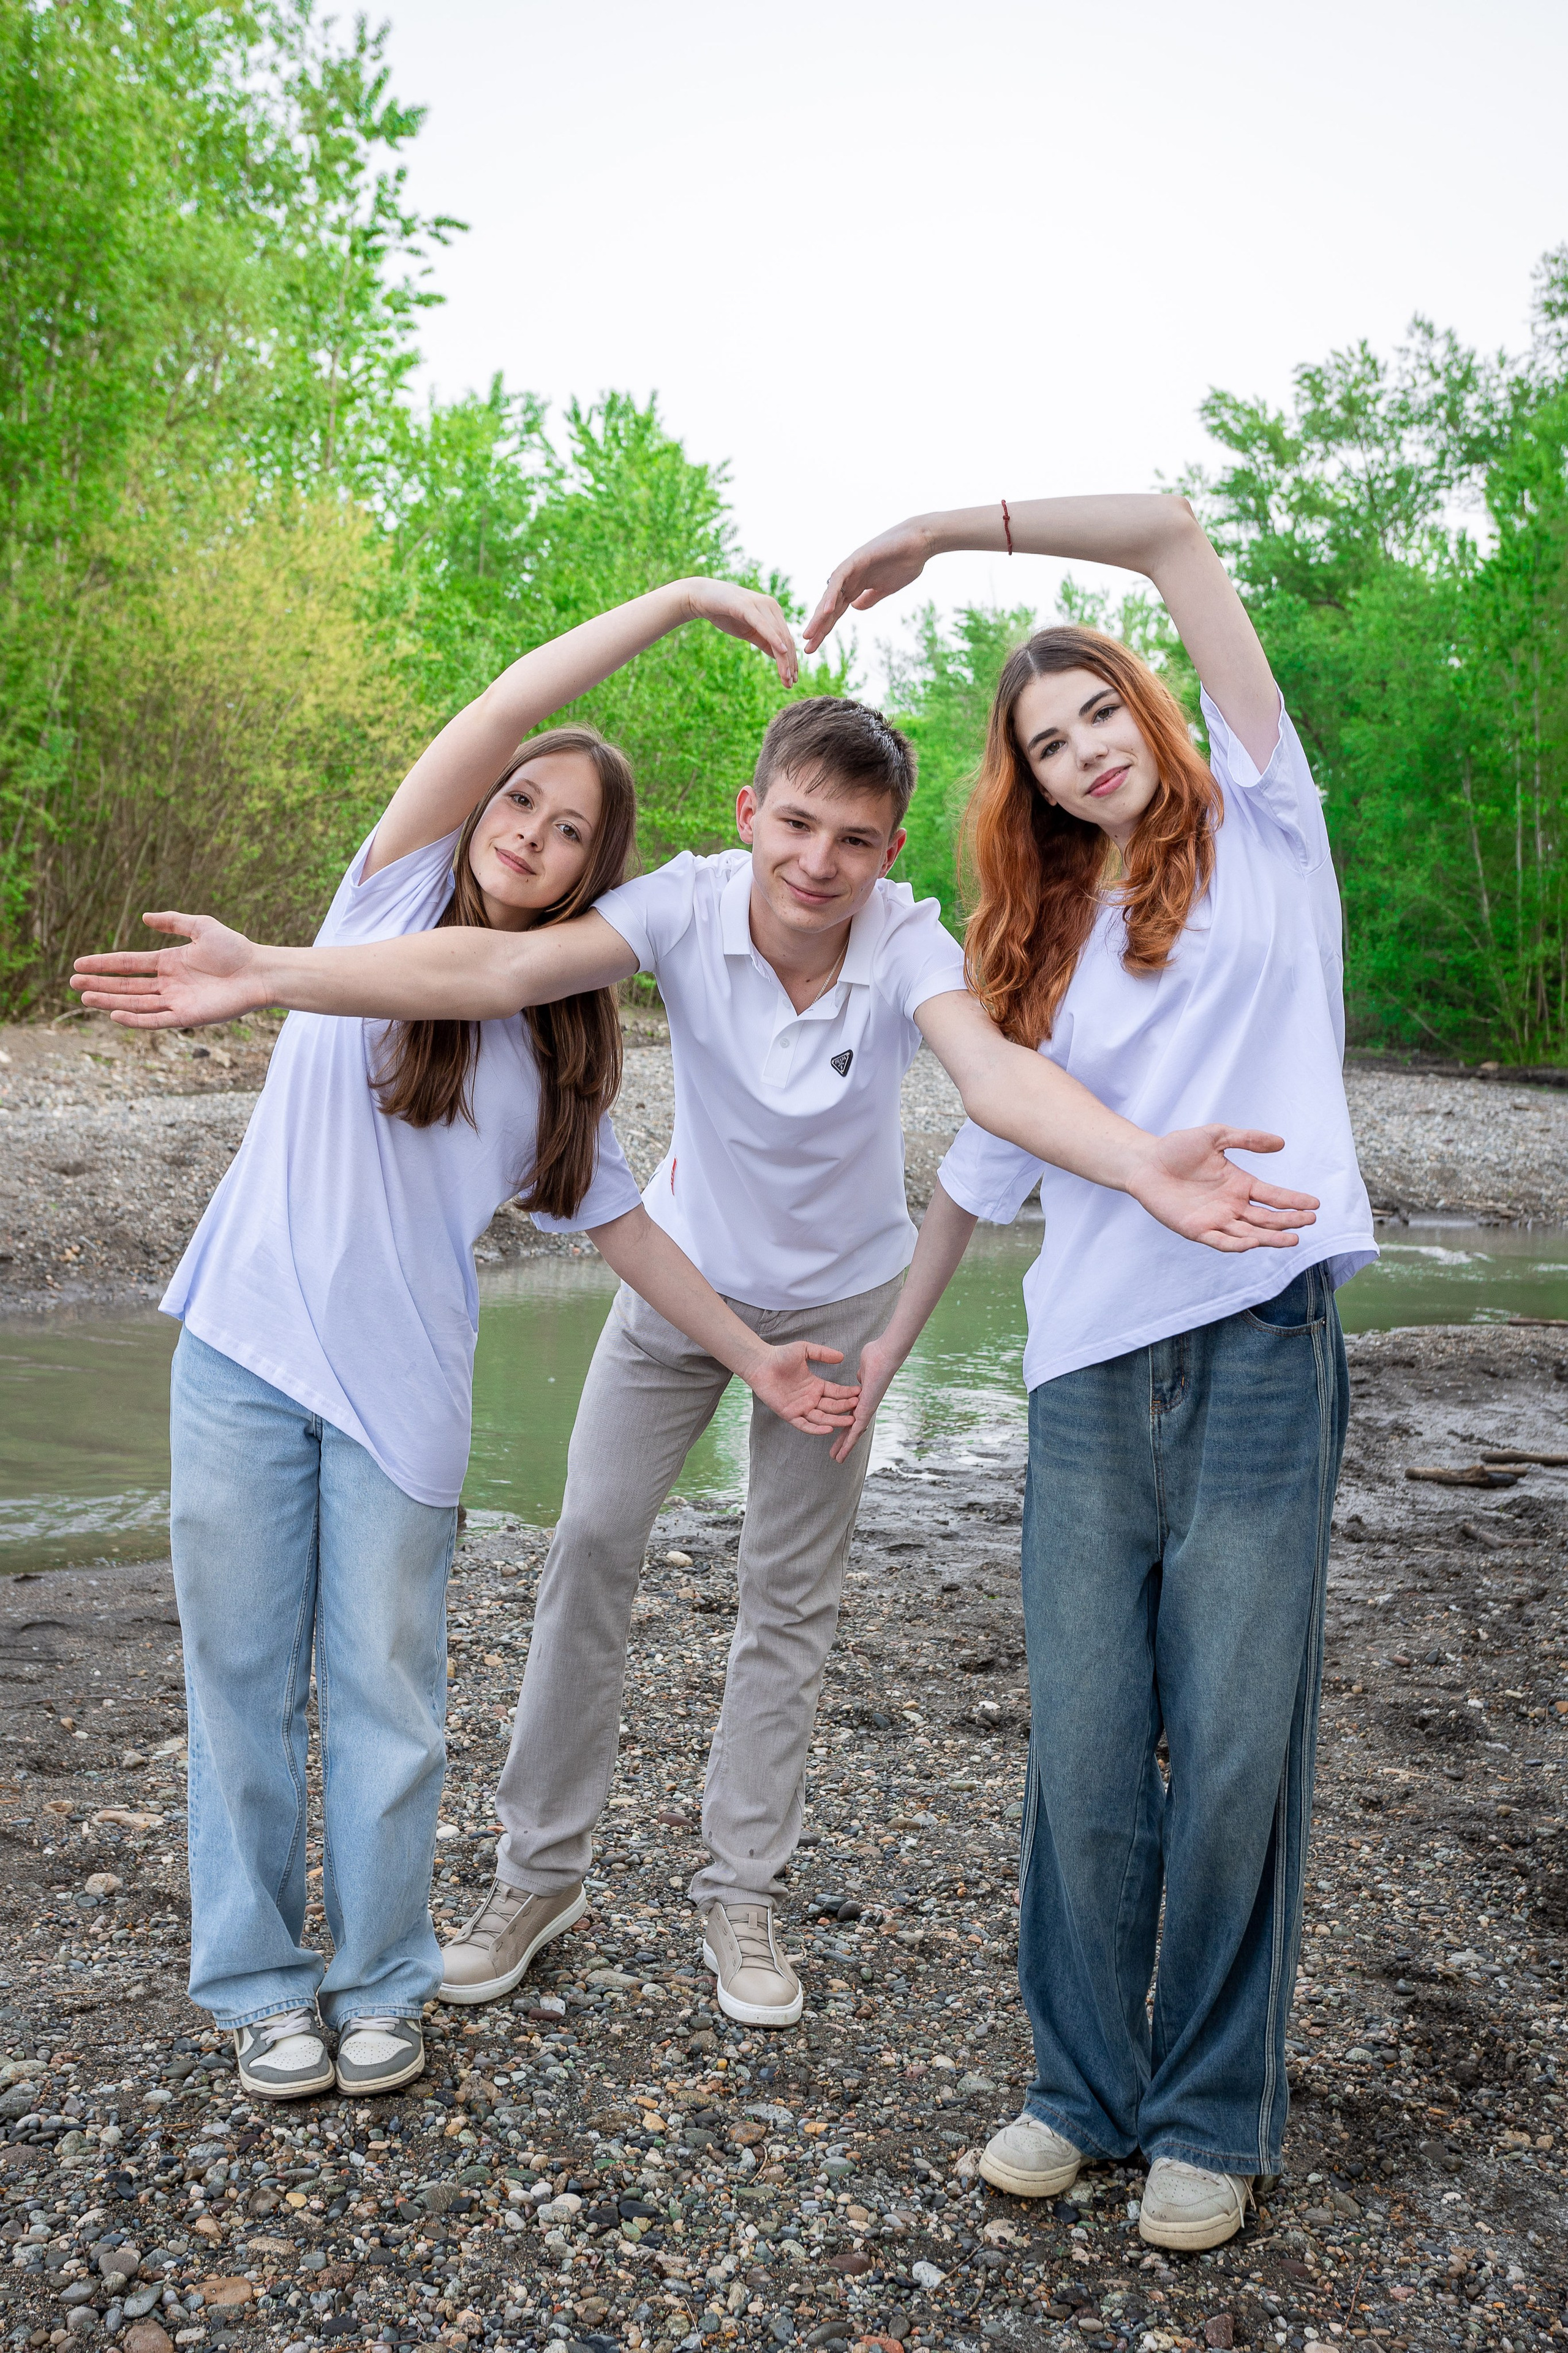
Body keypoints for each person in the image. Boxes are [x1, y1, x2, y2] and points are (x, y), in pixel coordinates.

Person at [74, 603, 1317, 2045]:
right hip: (681, 1297)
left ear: (888, 853)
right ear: (749, 814)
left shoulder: (905, 942)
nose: (816, 863)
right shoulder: (673, 902)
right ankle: (535, 1882)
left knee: (786, 1604)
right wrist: (275, 969)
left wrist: (1126, 1156)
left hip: (843, 1303)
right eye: (795, 826)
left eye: (853, 841)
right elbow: (493, 966)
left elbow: (985, 1075)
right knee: (586, 1548)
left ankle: (739, 1894)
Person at [111, 578, 872, 2104]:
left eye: (570, 827)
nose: (529, 825)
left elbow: (628, 1235)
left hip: (404, 1407)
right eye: (519, 800)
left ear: (597, 867)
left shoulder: (553, 1042)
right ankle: (262, 1987)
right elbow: (511, 699)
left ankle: (383, 1977)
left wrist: (753, 1357)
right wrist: (677, 603)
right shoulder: (380, 896)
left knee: (388, 1697)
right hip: (242, 1358)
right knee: (241, 1688)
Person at [803, 493, 1374, 2248]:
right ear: (1031, 785)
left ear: (1153, 704)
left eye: (1099, 713)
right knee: (1085, 1744)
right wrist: (883, 1359)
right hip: (1086, 1381)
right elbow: (980, 1181)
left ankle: (1208, 2111)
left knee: (1230, 1752)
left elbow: (1177, 531)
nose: (1081, 753)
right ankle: (1076, 2086)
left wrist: (942, 533)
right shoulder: (1032, 944)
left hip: (1267, 1347)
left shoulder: (1276, 825)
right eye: (1046, 747)